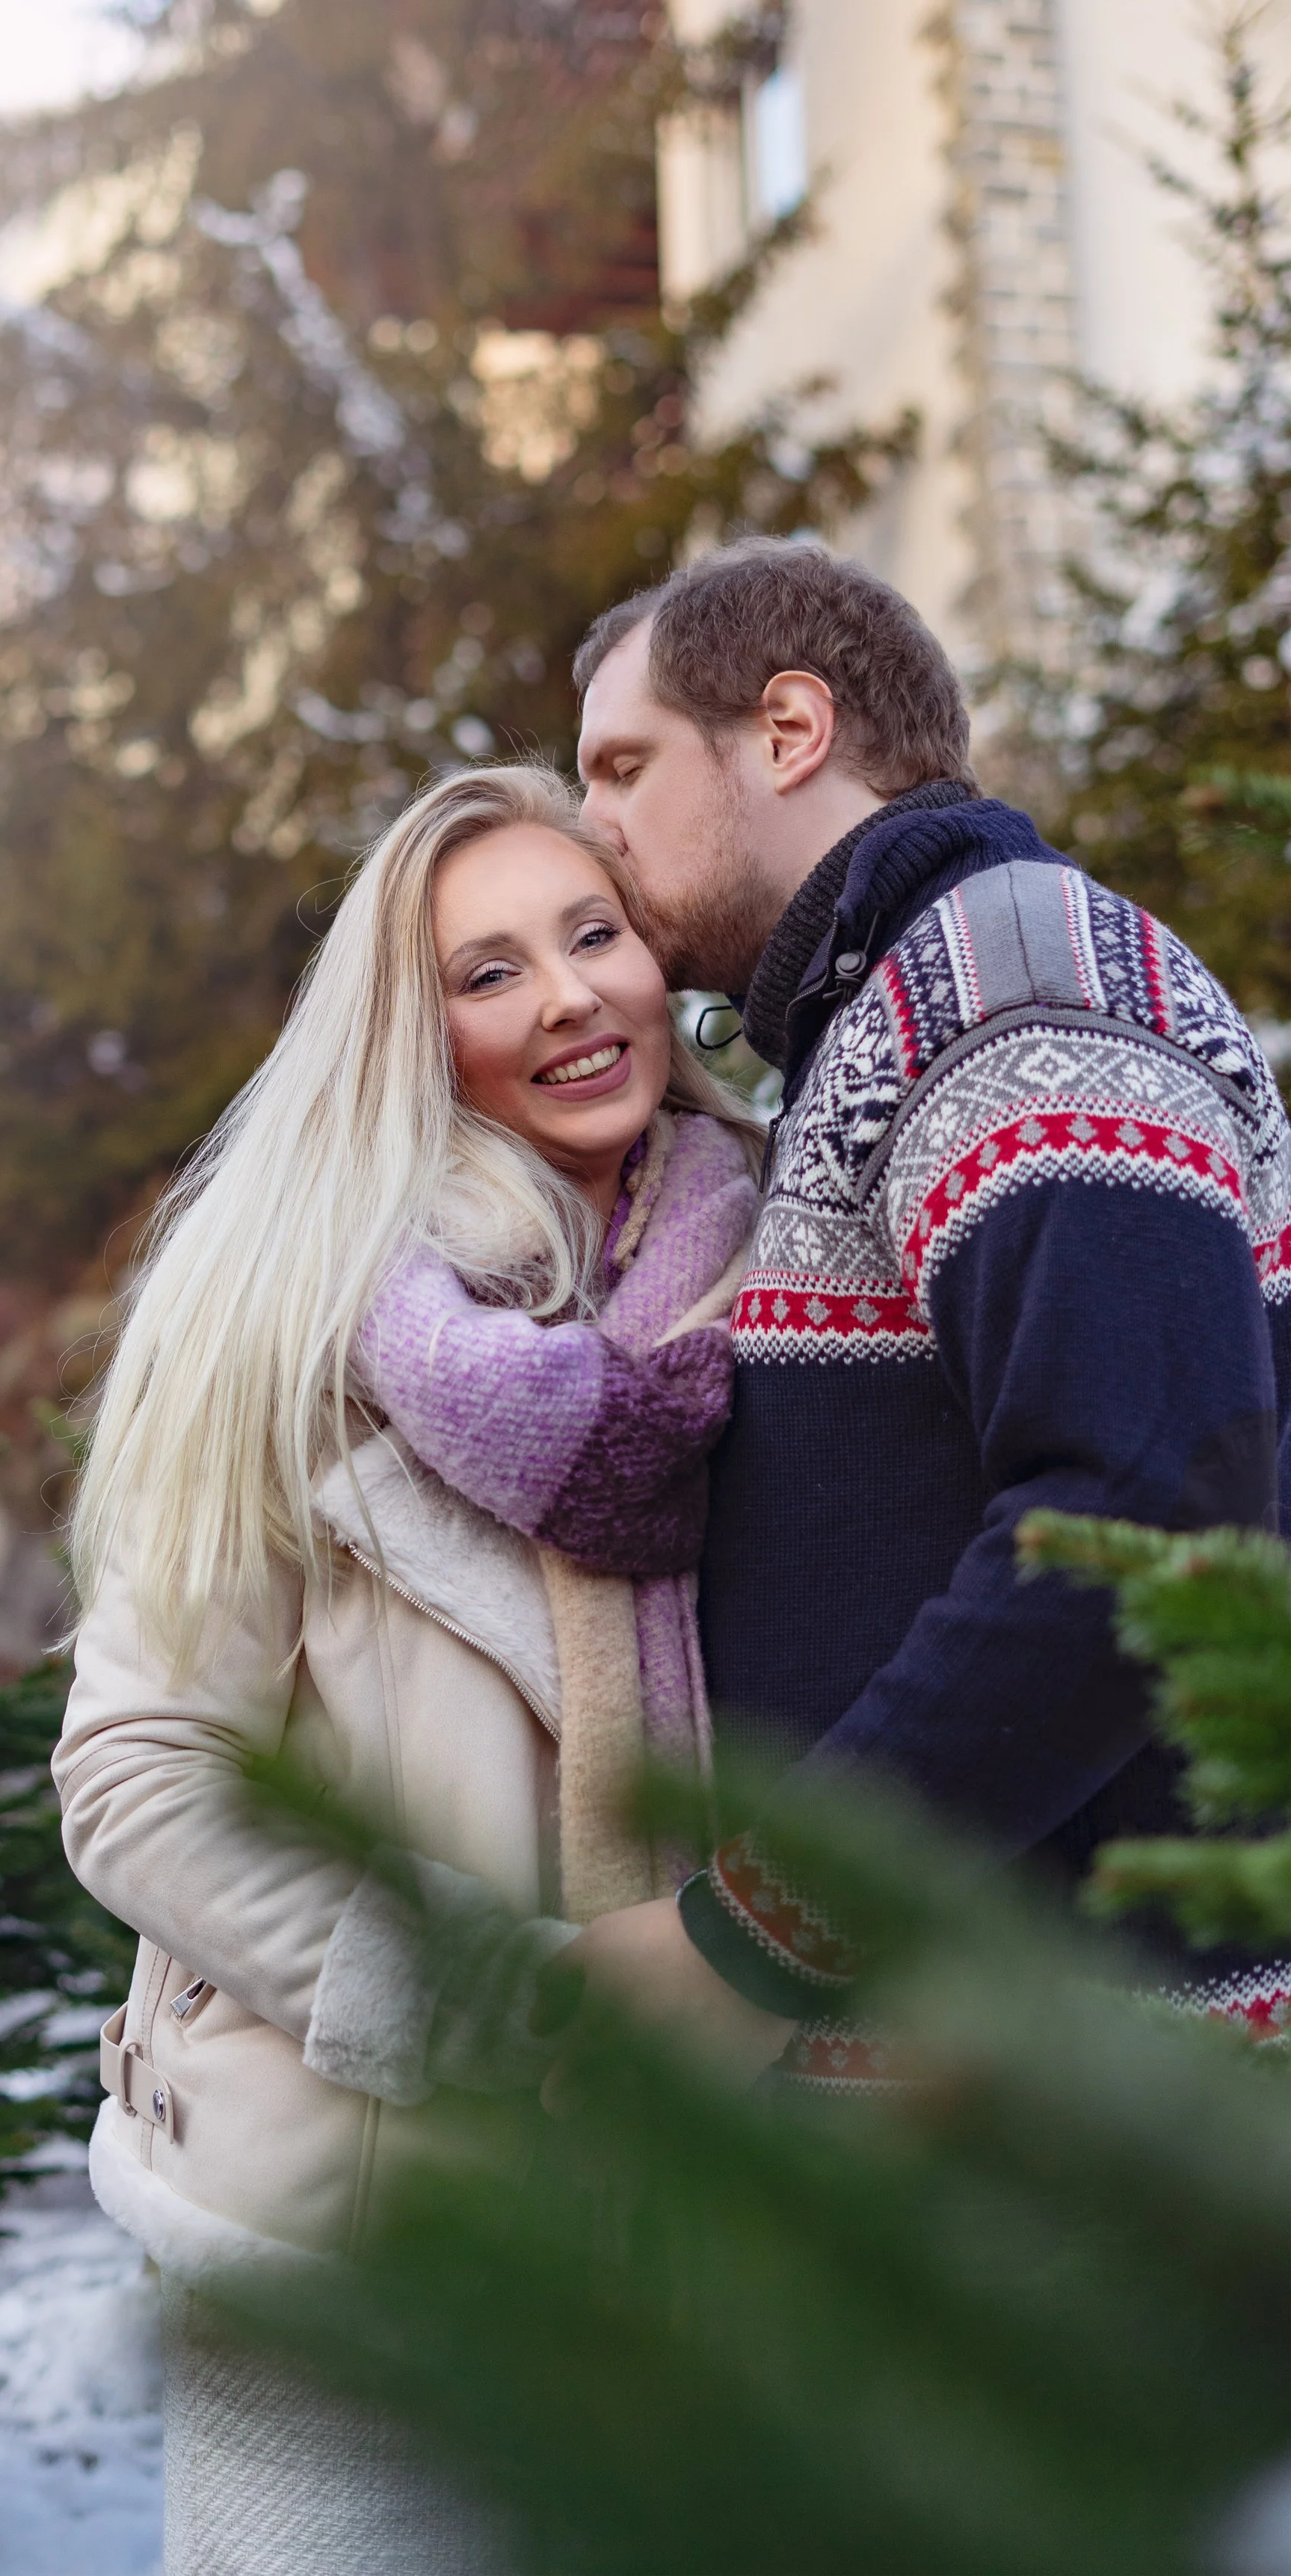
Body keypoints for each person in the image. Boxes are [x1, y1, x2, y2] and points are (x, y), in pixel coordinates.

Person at [52, 762, 759, 2576]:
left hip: (693, 2238)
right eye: (487, 972)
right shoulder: (284, 1320)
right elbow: (135, 1780)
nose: (567, 998)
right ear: (409, 1030)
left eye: (590, 934)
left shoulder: (760, 1291)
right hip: (350, 2233)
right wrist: (511, 2004)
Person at [545, 535, 1291, 2075]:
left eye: (620, 767)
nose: (589, 828)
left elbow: (1139, 1514)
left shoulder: (1010, 984)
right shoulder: (891, 1005)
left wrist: (758, 1934)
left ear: (789, 728)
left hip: (1093, 2093)